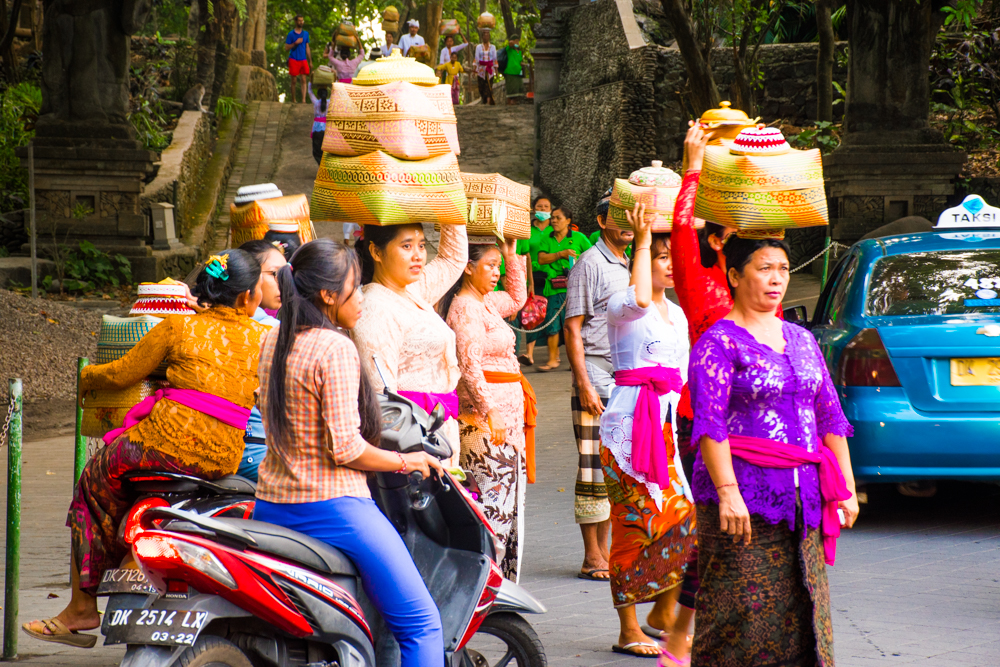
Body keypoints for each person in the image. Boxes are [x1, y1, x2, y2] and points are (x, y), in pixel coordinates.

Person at [23, 251, 267, 648]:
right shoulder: (265, 338)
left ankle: (82, 607)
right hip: (224, 457)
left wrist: (86, 377)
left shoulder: (177, 328)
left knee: (91, 487)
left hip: (160, 445)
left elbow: (122, 373)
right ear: (247, 297)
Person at [254, 239, 446, 667]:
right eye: (354, 287)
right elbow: (347, 448)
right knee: (421, 624)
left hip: (270, 505)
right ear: (327, 295)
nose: (359, 298)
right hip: (334, 508)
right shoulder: (334, 346)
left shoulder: (275, 340)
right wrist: (406, 460)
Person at [688, 233, 859, 667]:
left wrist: (846, 487)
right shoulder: (718, 342)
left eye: (782, 269)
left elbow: (829, 416)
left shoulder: (801, 339)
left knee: (805, 609)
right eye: (764, 268)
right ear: (734, 275)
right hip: (745, 498)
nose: (776, 279)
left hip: (805, 498)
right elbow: (710, 426)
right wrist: (728, 493)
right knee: (740, 615)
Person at [599, 204, 696, 660]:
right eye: (660, 257)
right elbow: (639, 298)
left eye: (670, 257)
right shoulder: (622, 302)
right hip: (627, 432)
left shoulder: (677, 314)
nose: (668, 265)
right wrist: (640, 238)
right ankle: (628, 627)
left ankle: (662, 611)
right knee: (633, 528)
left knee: (685, 520)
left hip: (667, 431)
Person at [442, 240, 533, 581]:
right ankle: (486, 582)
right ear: (468, 267)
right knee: (493, 504)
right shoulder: (465, 307)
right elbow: (469, 363)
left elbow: (516, 299)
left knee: (509, 504)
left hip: (508, 414)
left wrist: (511, 256)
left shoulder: (486, 302)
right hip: (484, 419)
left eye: (498, 267)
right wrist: (488, 407)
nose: (496, 273)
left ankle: (503, 584)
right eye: (490, 265)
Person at [353, 223, 469, 468]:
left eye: (422, 245)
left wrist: (450, 206)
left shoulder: (412, 290)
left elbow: (453, 259)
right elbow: (383, 401)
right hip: (411, 442)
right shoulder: (375, 308)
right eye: (406, 246)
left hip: (437, 430)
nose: (418, 255)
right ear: (376, 252)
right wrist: (407, 459)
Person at [563, 192, 632, 580]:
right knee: (592, 464)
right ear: (601, 221)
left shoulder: (628, 263)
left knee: (612, 465)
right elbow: (573, 328)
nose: (626, 222)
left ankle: (605, 551)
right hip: (594, 371)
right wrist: (583, 383)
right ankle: (592, 555)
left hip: (622, 376)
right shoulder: (590, 263)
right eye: (617, 215)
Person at [236, 240, 289, 481]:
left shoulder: (207, 318)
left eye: (286, 274)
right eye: (274, 274)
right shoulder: (271, 329)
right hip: (258, 452)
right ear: (250, 278)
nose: (285, 283)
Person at [536, 205, 590, 372]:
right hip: (553, 288)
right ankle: (553, 359)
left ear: (568, 220)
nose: (554, 221)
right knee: (553, 325)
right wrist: (561, 254)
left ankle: (577, 360)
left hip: (575, 288)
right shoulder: (547, 238)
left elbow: (591, 257)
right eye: (553, 218)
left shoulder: (579, 238)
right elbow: (541, 259)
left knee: (576, 325)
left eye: (558, 218)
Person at [519, 195, 552, 366]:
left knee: (552, 315)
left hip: (551, 278)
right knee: (530, 313)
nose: (543, 210)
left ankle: (553, 355)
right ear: (533, 209)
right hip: (530, 276)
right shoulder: (526, 230)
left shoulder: (555, 230)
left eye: (546, 207)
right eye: (540, 206)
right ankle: (530, 354)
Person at [285, 15, 311, 104]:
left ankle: (303, 100)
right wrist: (295, 43)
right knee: (294, 80)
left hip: (303, 59)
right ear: (296, 22)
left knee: (304, 79)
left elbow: (307, 47)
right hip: (293, 58)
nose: (301, 22)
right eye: (299, 21)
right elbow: (286, 47)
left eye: (302, 20)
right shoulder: (291, 34)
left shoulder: (306, 34)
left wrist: (310, 60)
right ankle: (293, 99)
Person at [307, 82, 329, 165]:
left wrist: (311, 81)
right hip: (327, 129)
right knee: (327, 151)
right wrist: (335, 79)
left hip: (317, 129)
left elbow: (310, 91)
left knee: (317, 151)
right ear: (327, 95)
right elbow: (336, 93)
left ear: (318, 95)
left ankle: (321, 167)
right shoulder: (330, 102)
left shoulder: (316, 103)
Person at [474, 30, 497, 105]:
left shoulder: (493, 47)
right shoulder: (478, 47)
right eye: (484, 35)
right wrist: (475, 69)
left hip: (490, 69)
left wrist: (496, 70)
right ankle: (484, 100)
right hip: (481, 69)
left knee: (488, 86)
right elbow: (476, 58)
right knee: (481, 86)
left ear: (489, 37)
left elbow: (494, 59)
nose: (486, 37)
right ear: (482, 37)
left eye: (487, 35)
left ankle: (488, 101)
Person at [501, 33, 524, 105]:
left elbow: (519, 61)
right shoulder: (509, 49)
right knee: (511, 92)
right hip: (510, 73)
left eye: (518, 41)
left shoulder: (519, 52)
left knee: (517, 92)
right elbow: (510, 43)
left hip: (518, 74)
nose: (517, 43)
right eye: (516, 41)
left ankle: (514, 106)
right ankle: (509, 106)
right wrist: (513, 42)